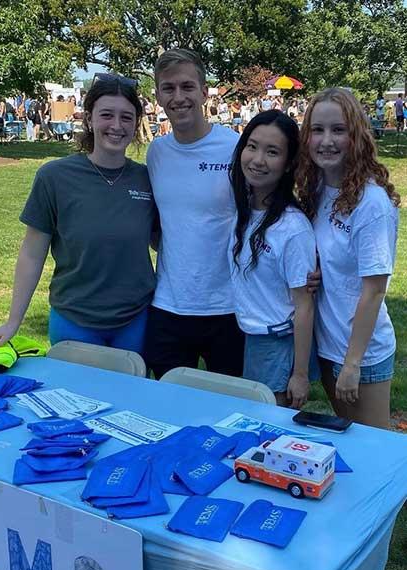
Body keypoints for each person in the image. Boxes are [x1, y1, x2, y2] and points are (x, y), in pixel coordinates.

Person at [0, 75, 157, 355]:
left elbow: (162, 241)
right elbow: (32, 253)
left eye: (126, 117)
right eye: (106, 115)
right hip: (74, 321)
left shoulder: (147, 179)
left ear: (136, 123)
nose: (116, 125)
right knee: (76, 399)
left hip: (136, 320)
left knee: (131, 398)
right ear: (89, 119)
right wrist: (13, 321)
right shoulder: (54, 177)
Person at [297, 87, 400, 429]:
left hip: (361, 353)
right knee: (351, 440)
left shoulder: (371, 203)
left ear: (356, 135)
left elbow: (374, 291)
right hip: (328, 344)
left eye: (338, 130)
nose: (327, 140)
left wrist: (353, 363)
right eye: (318, 130)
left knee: (378, 448)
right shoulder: (316, 189)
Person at [144, 49, 245, 379]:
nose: (178, 97)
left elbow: (265, 215)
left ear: (204, 92)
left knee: (232, 411)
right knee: (169, 411)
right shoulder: (157, 152)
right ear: (157, 95)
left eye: (187, 87)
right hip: (169, 306)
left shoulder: (235, 148)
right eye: (168, 88)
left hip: (229, 307)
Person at [229, 110, 316, 408]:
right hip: (245, 336)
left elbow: (304, 306)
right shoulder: (243, 207)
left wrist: (300, 375)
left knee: (267, 434)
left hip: (275, 344)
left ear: (289, 162)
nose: (257, 159)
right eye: (252, 146)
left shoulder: (292, 228)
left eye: (272, 152)